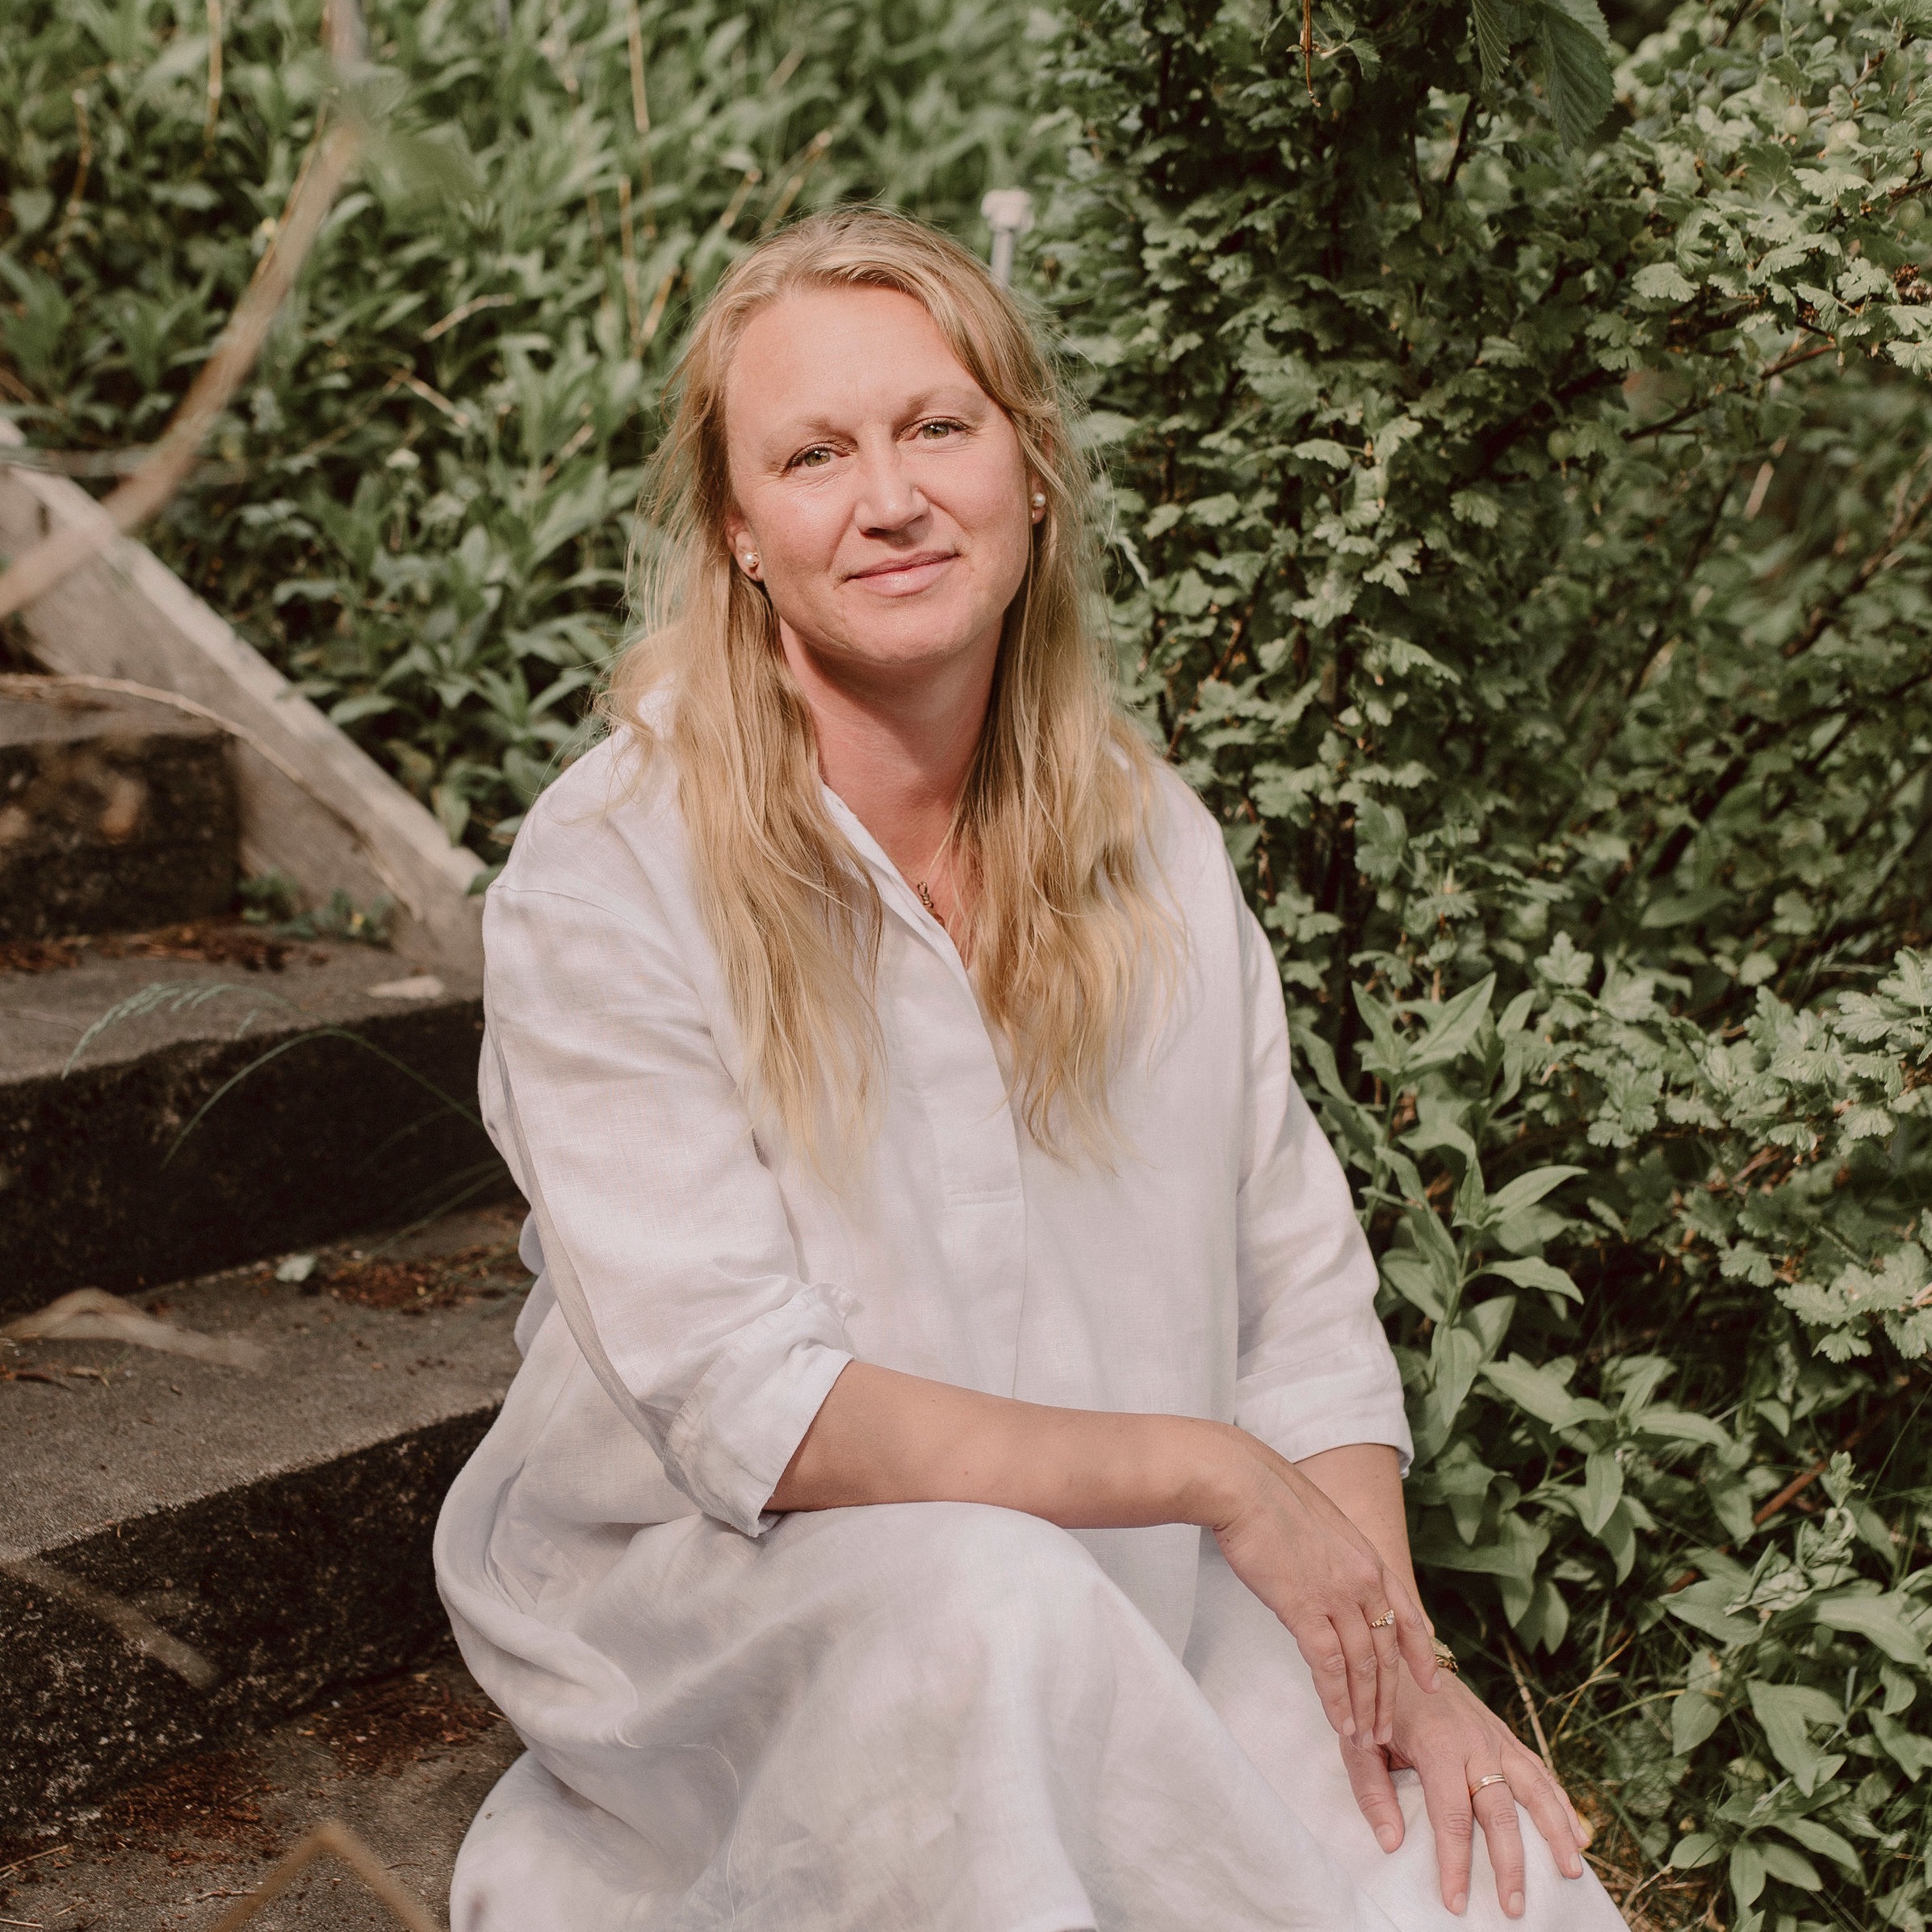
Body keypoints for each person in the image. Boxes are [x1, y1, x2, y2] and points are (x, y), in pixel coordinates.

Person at [434, 204, 1628, 1932]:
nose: (890, 497)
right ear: (740, 532)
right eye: (814, 455)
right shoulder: (611, 869)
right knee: (988, 1621)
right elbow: (751, 1405)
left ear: (1033, 468)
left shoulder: (1152, 840)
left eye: (937, 426)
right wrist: (1215, 1476)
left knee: (1486, 1888)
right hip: (728, 1596)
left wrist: (1401, 1661)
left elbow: (1296, 1307)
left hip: (1134, 1573)